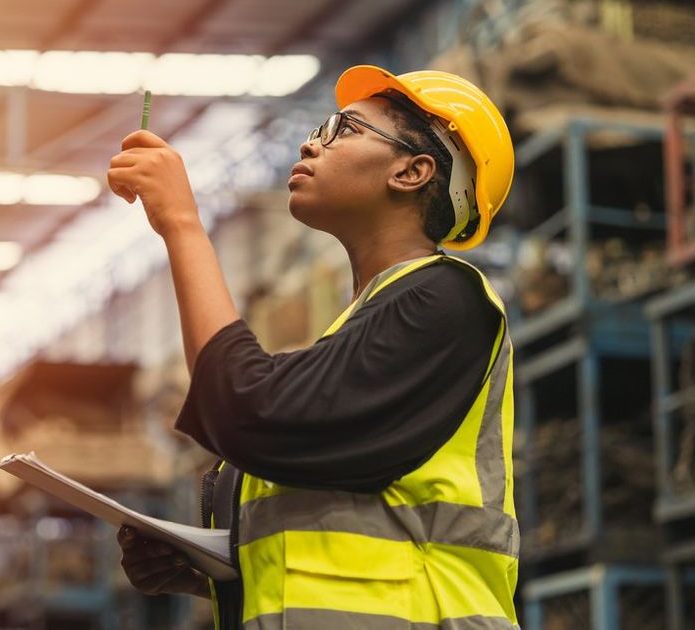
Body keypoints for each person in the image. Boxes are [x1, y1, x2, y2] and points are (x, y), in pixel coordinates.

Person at [107, 65, 519, 630]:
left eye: (343, 129)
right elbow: (346, 530)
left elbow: (251, 409)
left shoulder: (446, 299)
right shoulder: (362, 327)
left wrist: (181, 224)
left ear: (412, 171)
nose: (309, 141)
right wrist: (211, 571)